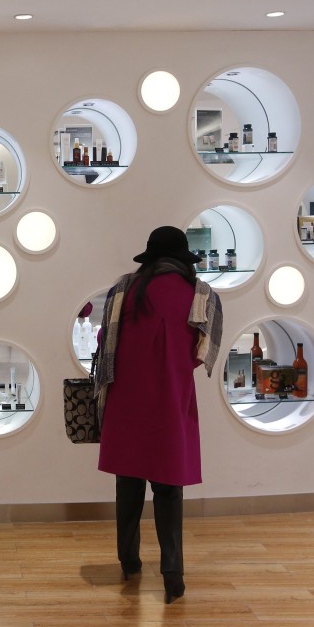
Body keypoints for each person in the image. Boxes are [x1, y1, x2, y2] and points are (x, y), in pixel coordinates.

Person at [94, 226, 222, 604]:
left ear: (149, 257)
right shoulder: (201, 296)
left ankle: (129, 562)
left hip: (126, 402)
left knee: (128, 486)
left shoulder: (123, 290)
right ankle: (173, 577)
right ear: (184, 259)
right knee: (168, 490)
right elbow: (203, 353)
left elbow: (104, 343)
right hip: (170, 400)